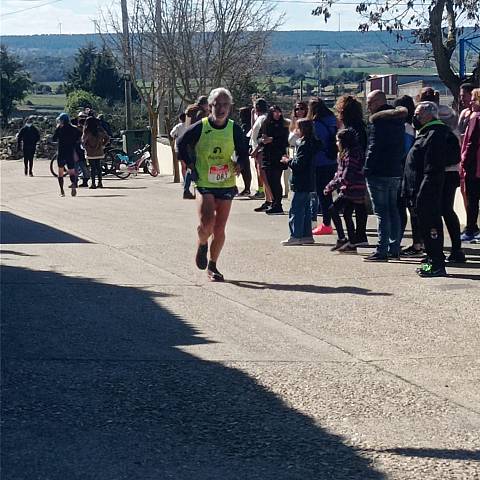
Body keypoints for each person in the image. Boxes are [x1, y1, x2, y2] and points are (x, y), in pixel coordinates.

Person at [177, 87, 249, 282]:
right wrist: (190, 163)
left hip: (226, 181)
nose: (221, 108)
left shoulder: (234, 128)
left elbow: (244, 151)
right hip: (205, 181)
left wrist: (240, 165)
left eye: (225, 104)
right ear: (210, 107)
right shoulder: (201, 126)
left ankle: (213, 265)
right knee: (206, 223)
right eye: (217, 104)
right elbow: (180, 143)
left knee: (219, 228)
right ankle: (202, 243)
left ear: (230, 107)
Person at [403, 102, 449, 277]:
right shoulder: (425, 133)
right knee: (425, 228)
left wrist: (424, 191)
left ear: (429, 115)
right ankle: (431, 261)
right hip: (418, 189)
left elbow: (433, 167)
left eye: (419, 114)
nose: (416, 117)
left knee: (431, 228)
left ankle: (436, 265)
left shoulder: (435, 133)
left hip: (428, 190)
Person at [364, 90, 407, 261]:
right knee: (393, 210)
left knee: (381, 212)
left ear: (378, 102)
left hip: (378, 171)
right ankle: (394, 247)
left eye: (370, 102)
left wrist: (366, 169)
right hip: (395, 170)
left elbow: (373, 148)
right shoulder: (398, 121)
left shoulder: (378, 122)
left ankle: (381, 249)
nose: (368, 106)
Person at [324, 128, 368, 254]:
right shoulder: (345, 153)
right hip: (350, 188)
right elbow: (339, 173)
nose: (336, 143)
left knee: (333, 209)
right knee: (347, 214)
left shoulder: (352, 154)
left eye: (338, 141)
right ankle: (352, 243)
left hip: (352, 189)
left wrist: (330, 186)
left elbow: (346, 176)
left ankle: (343, 238)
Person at [335, 94, 369, 246]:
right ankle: (357, 236)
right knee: (357, 205)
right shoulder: (361, 126)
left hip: (353, 171)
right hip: (360, 170)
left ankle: (356, 237)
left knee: (351, 207)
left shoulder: (352, 129)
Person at [281, 119, 321, 245]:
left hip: (301, 180)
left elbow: (299, 164)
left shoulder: (303, 144)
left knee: (296, 209)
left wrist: (288, 161)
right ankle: (306, 234)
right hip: (309, 179)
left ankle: (295, 235)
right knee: (306, 209)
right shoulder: (313, 143)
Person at [394, 95, 423, 257]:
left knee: (401, 209)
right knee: (412, 210)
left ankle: (400, 242)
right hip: (413, 171)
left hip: (403, 172)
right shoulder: (413, 126)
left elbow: (403, 151)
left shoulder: (404, 128)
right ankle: (418, 242)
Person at [308, 97, 338, 236]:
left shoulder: (316, 123)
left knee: (323, 194)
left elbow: (315, 143)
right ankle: (330, 221)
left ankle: (327, 223)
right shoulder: (332, 120)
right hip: (332, 160)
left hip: (320, 161)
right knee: (330, 193)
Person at [257, 105, 289, 215]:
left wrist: (272, 140)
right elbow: (259, 138)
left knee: (276, 180)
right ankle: (274, 202)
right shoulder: (266, 124)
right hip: (267, 155)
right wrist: (263, 140)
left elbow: (285, 141)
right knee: (269, 181)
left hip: (278, 156)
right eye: (274, 112)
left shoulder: (283, 125)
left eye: (278, 112)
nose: (277, 114)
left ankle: (277, 204)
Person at [460, 87, 480, 242]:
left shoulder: (475, 117)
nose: (471, 101)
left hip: (474, 166)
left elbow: (471, 142)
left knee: (472, 199)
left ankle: (471, 229)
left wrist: (464, 161)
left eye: (473, 98)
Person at [52, 113, 81, 197]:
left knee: (60, 172)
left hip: (61, 152)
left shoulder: (59, 129)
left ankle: (62, 191)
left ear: (62, 120)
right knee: (72, 171)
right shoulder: (74, 129)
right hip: (70, 152)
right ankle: (73, 186)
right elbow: (79, 137)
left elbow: (54, 139)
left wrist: (58, 129)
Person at [250, 98, 272, 208]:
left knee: (264, 176)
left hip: (261, 151)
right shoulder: (261, 118)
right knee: (262, 176)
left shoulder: (263, 119)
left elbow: (262, 136)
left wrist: (256, 149)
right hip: (259, 151)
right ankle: (268, 200)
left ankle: (271, 200)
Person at [171, 113, 194, 199]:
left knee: (183, 165)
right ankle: (188, 182)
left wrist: (176, 136)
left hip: (180, 148)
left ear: (180, 119)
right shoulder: (190, 125)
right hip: (189, 147)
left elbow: (172, 134)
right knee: (189, 165)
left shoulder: (178, 126)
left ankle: (185, 181)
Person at [82, 117, 109, 189]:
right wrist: (103, 144)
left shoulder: (87, 131)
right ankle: (100, 183)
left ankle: (93, 183)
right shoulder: (100, 130)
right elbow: (107, 138)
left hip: (90, 152)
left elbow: (83, 141)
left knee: (92, 168)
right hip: (99, 151)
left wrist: (85, 147)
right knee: (98, 167)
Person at [238, 106, 253, 197]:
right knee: (244, 170)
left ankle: (247, 188)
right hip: (243, 150)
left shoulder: (246, 125)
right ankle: (246, 188)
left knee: (245, 169)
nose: (240, 116)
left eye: (241, 114)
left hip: (244, 150)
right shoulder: (245, 124)